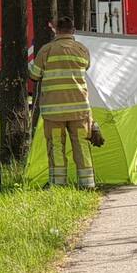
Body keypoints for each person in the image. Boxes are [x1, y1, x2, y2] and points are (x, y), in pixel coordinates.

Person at [28, 16, 95, 189]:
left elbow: (34, 75)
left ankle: (58, 185)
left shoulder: (47, 50)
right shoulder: (82, 49)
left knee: (56, 146)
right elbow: (86, 67)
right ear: (73, 31)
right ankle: (87, 184)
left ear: (56, 31)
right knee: (82, 145)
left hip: (54, 111)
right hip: (80, 111)